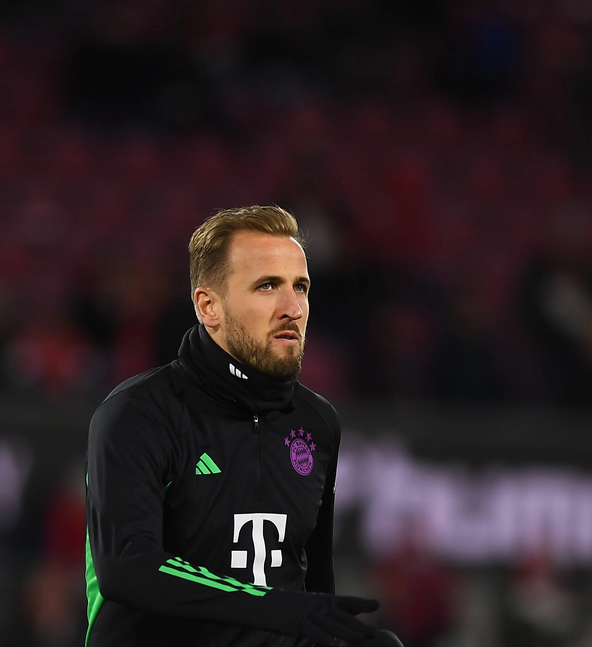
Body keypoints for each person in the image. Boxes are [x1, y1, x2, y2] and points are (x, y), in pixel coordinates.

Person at [84, 206, 402, 647]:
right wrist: (279, 609)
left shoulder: (317, 423)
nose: (293, 308)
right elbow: (129, 566)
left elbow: (311, 596)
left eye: (301, 287)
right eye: (267, 286)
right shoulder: (137, 413)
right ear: (208, 306)